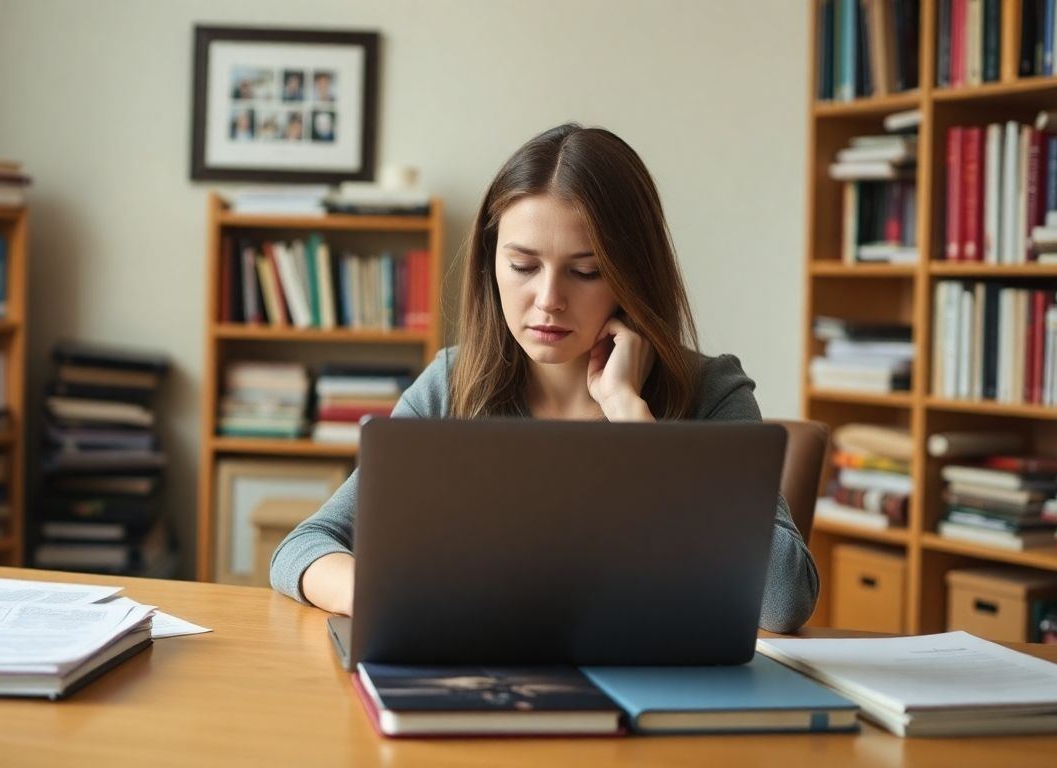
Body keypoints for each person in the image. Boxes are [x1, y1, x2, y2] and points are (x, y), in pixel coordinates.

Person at [269, 123, 819, 633]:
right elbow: (305, 546)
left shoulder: (712, 394)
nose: (549, 301)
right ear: (492, 264)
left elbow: (783, 598)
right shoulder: (452, 385)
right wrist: (397, 594)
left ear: (632, 277)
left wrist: (635, 423)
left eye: (586, 271)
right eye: (523, 266)